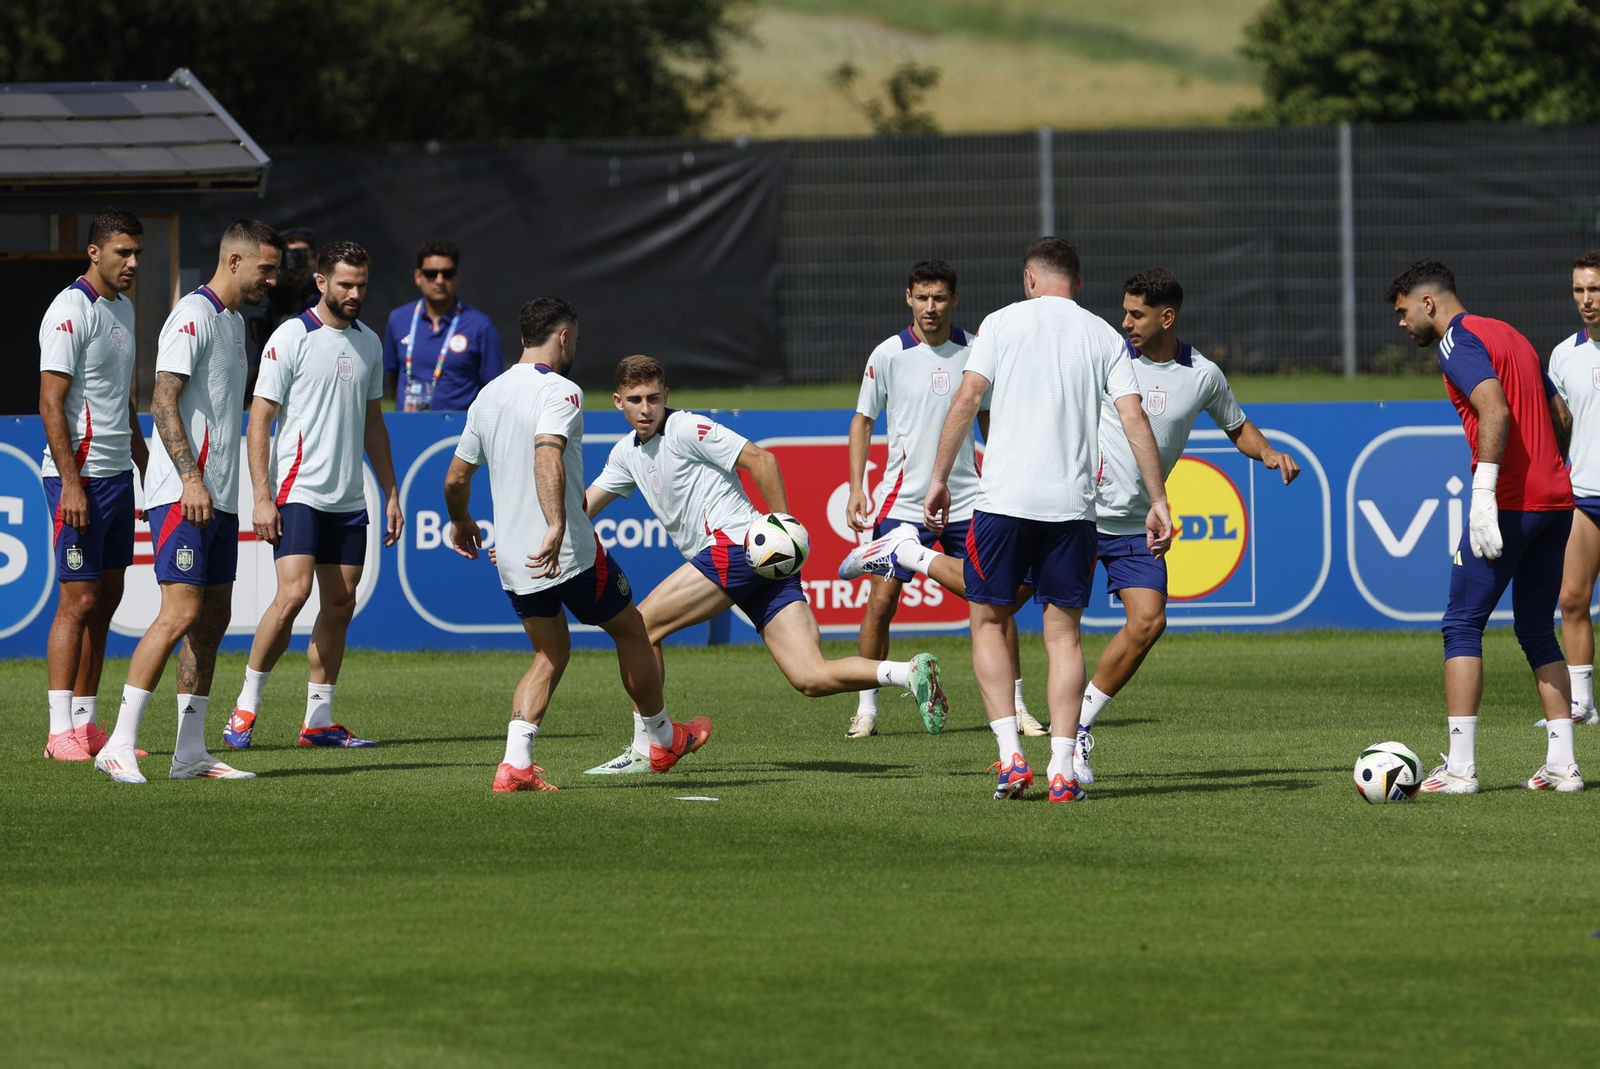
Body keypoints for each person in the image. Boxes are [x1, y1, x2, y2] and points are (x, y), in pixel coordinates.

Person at [579, 355, 948, 775]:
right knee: (811, 677)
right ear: (616, 402)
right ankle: (909, 673)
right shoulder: (625, 454)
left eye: (652, 397)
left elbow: (762, 460)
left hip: (738, 546)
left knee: (640, 627)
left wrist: (783, 527)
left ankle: (653, 745)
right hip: (764, 564)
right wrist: (548, 537)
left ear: (666, 395)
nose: (645, 409)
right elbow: (586, 506)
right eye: (634, 400)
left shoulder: (685, 427)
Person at [926, 237, 1171, 802]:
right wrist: (1158, 499)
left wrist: (939, 478)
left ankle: (1012, 759)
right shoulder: (1105, 335)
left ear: (1029, 279)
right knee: (1064, 636)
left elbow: (967, 399)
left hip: (1003, 503)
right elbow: (1133, 418)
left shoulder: (1000, 323)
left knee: (988, 621)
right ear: (1077, 284)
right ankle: (1062, 766)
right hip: (1073, 510)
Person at [443, 299, 708, 791]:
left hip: (517, 561)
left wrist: (460, 521)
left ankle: (514, 764)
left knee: (551, 653)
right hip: (566, 550)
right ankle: (662, 738)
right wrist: (555, 523)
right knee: (634, 631)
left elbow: (457, 477)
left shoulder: (488, 395)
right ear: (563, 337)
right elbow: (548, 455)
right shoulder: (560, 390)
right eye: (576, 340)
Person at [1063, 268, 1300, 783]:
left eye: (1136, 314)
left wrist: (1268, 453)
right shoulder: (1107, 357)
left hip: (1135, 525)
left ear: (1166, 317)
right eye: (1124, 311)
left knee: (1148, 622)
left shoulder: (1203, 375)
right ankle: (909, 553)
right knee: (1002, 598)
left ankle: (1077, 727)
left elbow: (1237, 425)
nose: (1124, 322)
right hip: (1076, 515)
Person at [94, 221, 284, 783]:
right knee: (179, 613)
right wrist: (190, 479)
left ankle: (190, 752)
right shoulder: (193, 315)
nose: (271, 279)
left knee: (213, 619)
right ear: (234, 262)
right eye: (265, 268)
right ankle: (120, 743)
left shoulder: (231, 324)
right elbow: (161, 400)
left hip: (218, 498)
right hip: (184, 493)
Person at [1385, 259, 1581, 793]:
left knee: (1462, 624)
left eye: (1404, 312)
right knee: (1538, 629)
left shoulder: (1458, 341)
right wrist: (1550, 472)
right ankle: (1563, 766)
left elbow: (1494, 411)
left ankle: (1462, 768)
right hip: (1556, 502)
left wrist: (1483, 494)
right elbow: (1559, 414)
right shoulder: (1510, 334)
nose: (1402, 324)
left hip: (1511, 504)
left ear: (1428, 303)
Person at [844, 259, 1041, 740]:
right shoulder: (888, 354)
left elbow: (992, 421)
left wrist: (1004, 473)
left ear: (955, 300)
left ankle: (1017, 707)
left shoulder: (978, 349)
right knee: (882, 602)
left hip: (971, 500)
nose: (930, 307)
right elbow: (863, 421)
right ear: (907, 298)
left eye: (939, 298)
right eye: (921, 297)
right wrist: (856, 486)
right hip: (902, 503)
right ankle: (867, 708)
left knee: (997, 603)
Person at [222, 241, 404, 751]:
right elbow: (258, 419)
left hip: (349, 500)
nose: (354, 293)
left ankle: (318, 721)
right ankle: (245, 708)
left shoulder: (370, 342)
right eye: (345, 284)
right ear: (321, 282)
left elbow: (374, 423)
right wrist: (262, 496)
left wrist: (390, 492)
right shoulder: (291, 337)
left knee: (340, 604)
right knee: (293, 595)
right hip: (298, 492)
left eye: (362, 285)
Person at [37, 208, 150, 761]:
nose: (132, 263)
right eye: (122, 252)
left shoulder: (125, 309)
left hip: (117, 477)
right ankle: (59, 733)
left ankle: (86, 725)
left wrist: (146, 461)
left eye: (137, 253)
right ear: (94, 252)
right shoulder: (69, 308)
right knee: (76, 600)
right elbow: (50, 401)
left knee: (106, 600)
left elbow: (121, 399)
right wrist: (71, 482)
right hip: (76, 478)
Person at [1548, 249, 1600, 727]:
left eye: (1595, 289)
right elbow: (1560, 423)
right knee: (1572, 598)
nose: (1587, 299)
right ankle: (1582, 703)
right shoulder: (1563, 355)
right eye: (1580, 290)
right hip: (1585, 496)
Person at [383, 240, 503, 412]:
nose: (439, 280)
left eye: (447, 273)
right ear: (418, 277)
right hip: (409, 427)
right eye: (431, 274)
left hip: (457, 432)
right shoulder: (398, 319)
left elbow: (493, 389)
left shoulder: (480, 326)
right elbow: (393, 374)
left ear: (458, 276)